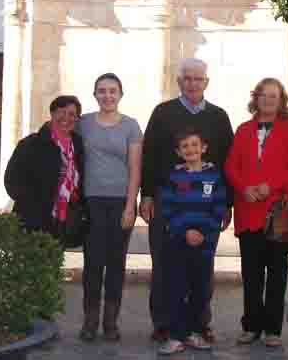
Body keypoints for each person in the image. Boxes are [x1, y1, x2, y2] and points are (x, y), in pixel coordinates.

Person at [140, 58, 234, 343]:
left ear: (206, 83)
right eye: (188, 79)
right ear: (179, 82)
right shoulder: (163, 113)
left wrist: (227, 203)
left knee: (201, 271)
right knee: (165, 267)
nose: (193, 84)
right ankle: (164, 324)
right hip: (168, 207)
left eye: (198, 79)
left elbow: (228, 161)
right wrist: (146, 194)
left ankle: (199, 324)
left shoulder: (218, 117)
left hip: (204, 211)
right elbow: (149, 155)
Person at [224, 78, 288, 348]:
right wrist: (243, 187)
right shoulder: (243, 130)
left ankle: (273, 329)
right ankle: (250, 326)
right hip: (248, 210)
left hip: (278, 212)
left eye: (274, 96)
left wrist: (269, 186)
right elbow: (231, 166)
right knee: (251, 273)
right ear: (255, 98)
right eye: (263, 95)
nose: (268, 100)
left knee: (277, 272)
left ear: (281, 100)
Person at [77, 73, 143, 342]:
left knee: (115, 264)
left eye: (112, 91)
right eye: (102, 91)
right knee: (92, 263)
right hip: (91, 202)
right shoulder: (83, 124)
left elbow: (135, 169)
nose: (107, 95)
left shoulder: (131, 126)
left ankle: (111, 323)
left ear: (120, 94)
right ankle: (90, 321)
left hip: (119, 203)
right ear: (95, 95)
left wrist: (130, 206)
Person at [157, 128, 228, 355]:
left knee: (200, 289)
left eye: (195, 145)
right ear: (178, 152)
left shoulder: (214, 177)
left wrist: (203, 233)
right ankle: (176, 335)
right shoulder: (174, 177)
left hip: (204, 244)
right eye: (185, 146)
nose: (191, 150)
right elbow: (167, 209)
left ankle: (196, 332)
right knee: (176, 288)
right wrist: (185, 231)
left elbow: (218, 209)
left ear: (204, 148)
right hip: (179, 242)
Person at [4, 95, 85, 239]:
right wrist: (32, 204)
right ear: (52, 113)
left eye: (72, 114)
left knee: (55, 259)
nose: (66, 117)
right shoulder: (31, 144)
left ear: (77, 119)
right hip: (33, 220)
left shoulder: (78, 146)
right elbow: (11, 180)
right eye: (61, 112)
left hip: (63, 220)